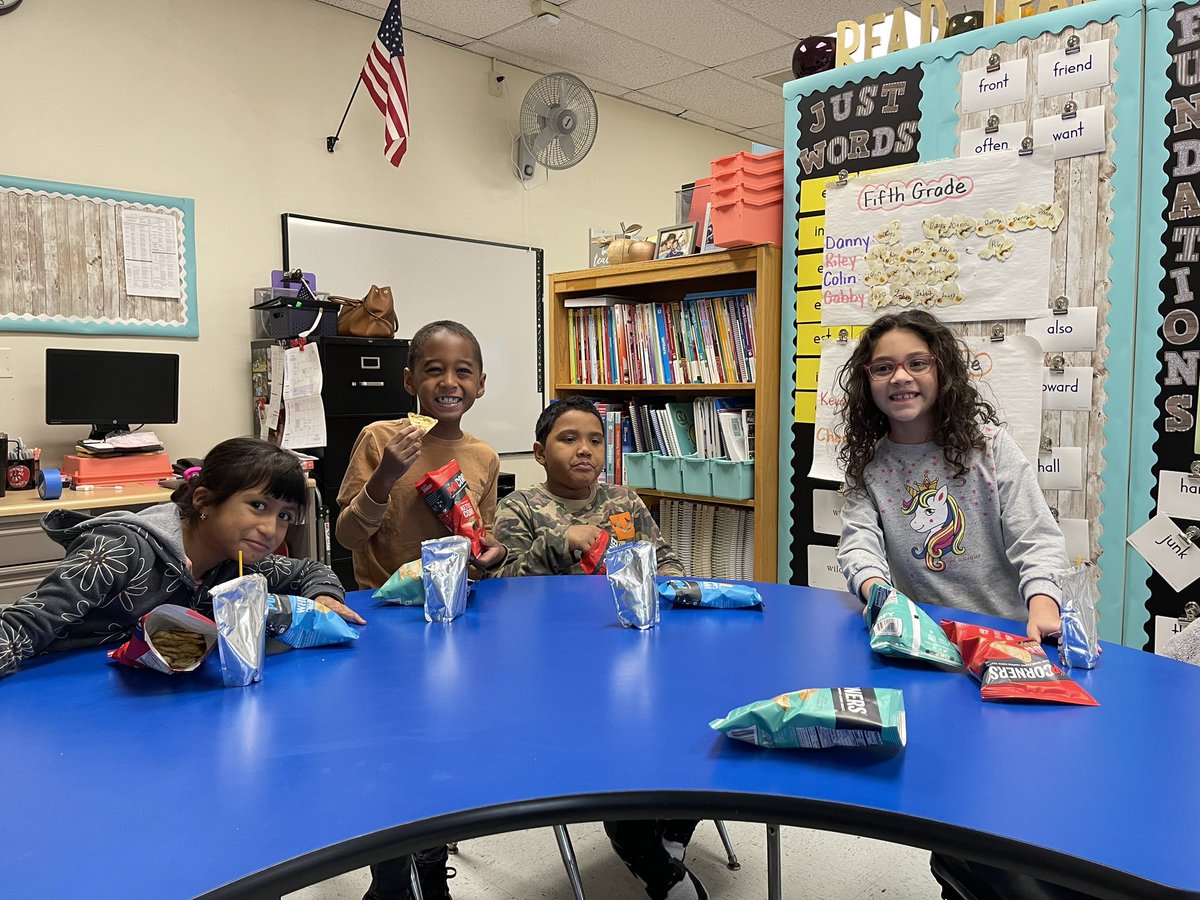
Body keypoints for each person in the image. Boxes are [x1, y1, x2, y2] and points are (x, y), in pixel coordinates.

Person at [834, 310, 1079, 900]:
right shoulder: (872, 465)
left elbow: (1037, 539)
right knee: (952, 795)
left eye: (917, 363)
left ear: (942, 370)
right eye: (884, 367)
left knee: (1016, 790)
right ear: (867, 383)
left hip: (1009, 647)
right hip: (929, 651)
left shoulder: (989, 449)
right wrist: (877, 592)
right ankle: (961, 876)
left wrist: (1043, 603)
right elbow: (857, 542)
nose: (901, 377)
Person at [492, 397, 705, 900]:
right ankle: (643, 850)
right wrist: (560, 542)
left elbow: (665, 557)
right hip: (561, 669)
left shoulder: (624, 502)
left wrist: (673, 585)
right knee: (618, 756)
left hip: (639, 650)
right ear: (540, 453)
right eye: (569, 439)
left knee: (697, 726)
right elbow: (503, 593)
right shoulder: (519, 507)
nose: (584, 450)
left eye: (594, 439)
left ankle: (672, 830)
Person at [337, 320, 504, 900]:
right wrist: (385, 476)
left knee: (442, 753)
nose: (448, 381)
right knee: (393, 756)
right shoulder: (381, 438)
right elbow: (348, 536)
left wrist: (490, 554)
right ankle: (388, 881)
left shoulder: (482, 456)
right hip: (384, 625)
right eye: (433, 369)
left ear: (481, 384)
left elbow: (482, 538)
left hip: (453, 624)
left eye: (462, 371)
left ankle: (431, 872)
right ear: (409, 379)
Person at [0, 436, 359, 681]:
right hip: (51, 691)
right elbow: (18, 629)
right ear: (203, 502)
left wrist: (324, 598)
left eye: (285, 516)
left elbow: (310, 569)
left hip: (141, 702)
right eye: (258, 506)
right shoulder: (121, 550)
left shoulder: (236, 562)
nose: (270, 529)